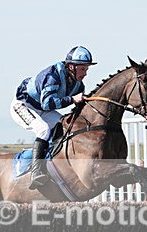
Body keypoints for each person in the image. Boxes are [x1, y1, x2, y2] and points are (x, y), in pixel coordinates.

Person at [10, 46, 95, 189]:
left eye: (86, 69)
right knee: (43, 130)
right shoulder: (52, 75)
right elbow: (47, 103)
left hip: (42, 110)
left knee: (64, 127)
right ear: (71, 67)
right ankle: (35, 172)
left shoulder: (79, 85)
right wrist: (72, 99)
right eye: (82, 69)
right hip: (23, 106)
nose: (85, 73)